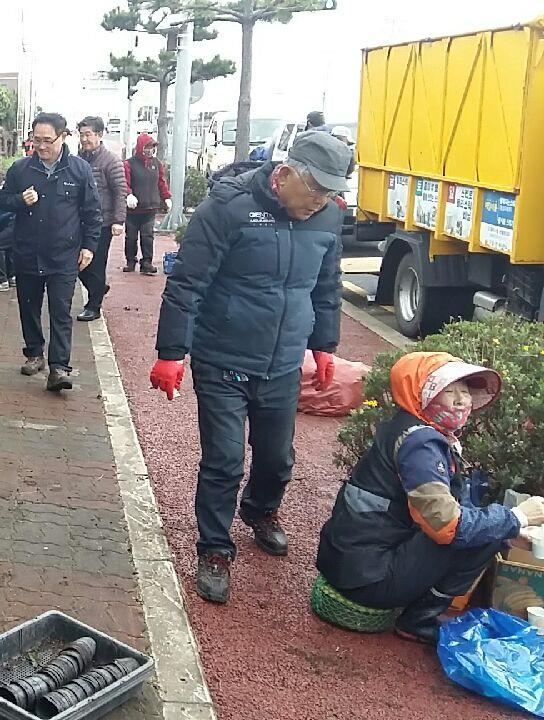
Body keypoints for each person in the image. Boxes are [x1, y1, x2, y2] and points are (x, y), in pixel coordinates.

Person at [150, 131, 353, 603]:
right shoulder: (229, 208)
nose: (321, 202)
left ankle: (260, 510)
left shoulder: (326, 218)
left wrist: (324, 346)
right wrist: (170, 353)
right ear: (284, 175)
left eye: (330, 194)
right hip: (223, 357)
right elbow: (188, 285)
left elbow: (327, 286)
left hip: (282, 361)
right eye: (316, 191)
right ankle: (215, 548)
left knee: (277, 457)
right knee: (223, 460)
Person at [317, 352, 544, 643]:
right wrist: (517, 517)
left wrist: (512, 533)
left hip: (352, 564)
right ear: (423, 397)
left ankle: (420, 614)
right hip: (365, 579)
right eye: (448, 391)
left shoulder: (410, 429)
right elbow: (448, 524)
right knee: (478, 531)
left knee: (492, 529)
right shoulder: (420, 444)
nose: (462, 400)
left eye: (465, 391)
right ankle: (419, 619)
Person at [0, 112, 102, 392]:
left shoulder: (79, 170)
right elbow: (2, 200)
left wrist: (89, 247)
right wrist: (20, 199)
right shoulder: (21, 170)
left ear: (63, 137)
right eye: (36, 140)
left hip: (64, 255)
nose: (41, 146)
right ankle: (34, 353)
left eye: (47, 140)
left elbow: (92, 213)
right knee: (29, 307)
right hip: (27, 252)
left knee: (61, 311)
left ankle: (59, 368)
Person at [74, 116, 128, 322]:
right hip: (80, 221)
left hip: (103, 222)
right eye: (82, 135)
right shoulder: (79, 159)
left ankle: (93, 306)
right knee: (76, 262)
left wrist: (118, 221)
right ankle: (99, 288)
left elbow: (120, 192)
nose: (85, 139)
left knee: (95, 264)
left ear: (99, 135)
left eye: (88, 134)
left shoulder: (110, 161)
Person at [123, 133, 171, 275]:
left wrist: (166, 197)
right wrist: (129, 194)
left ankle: (147, 263)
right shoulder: (129, 164)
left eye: (152, 147)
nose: (149, 150)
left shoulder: (157, 164)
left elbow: (161, 182)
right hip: (133, 210)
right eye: (147, 147)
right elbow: (125, 183)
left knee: (147, 236)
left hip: (150, 209)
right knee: (131, 237)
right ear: (140, 147)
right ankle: (131, 261)